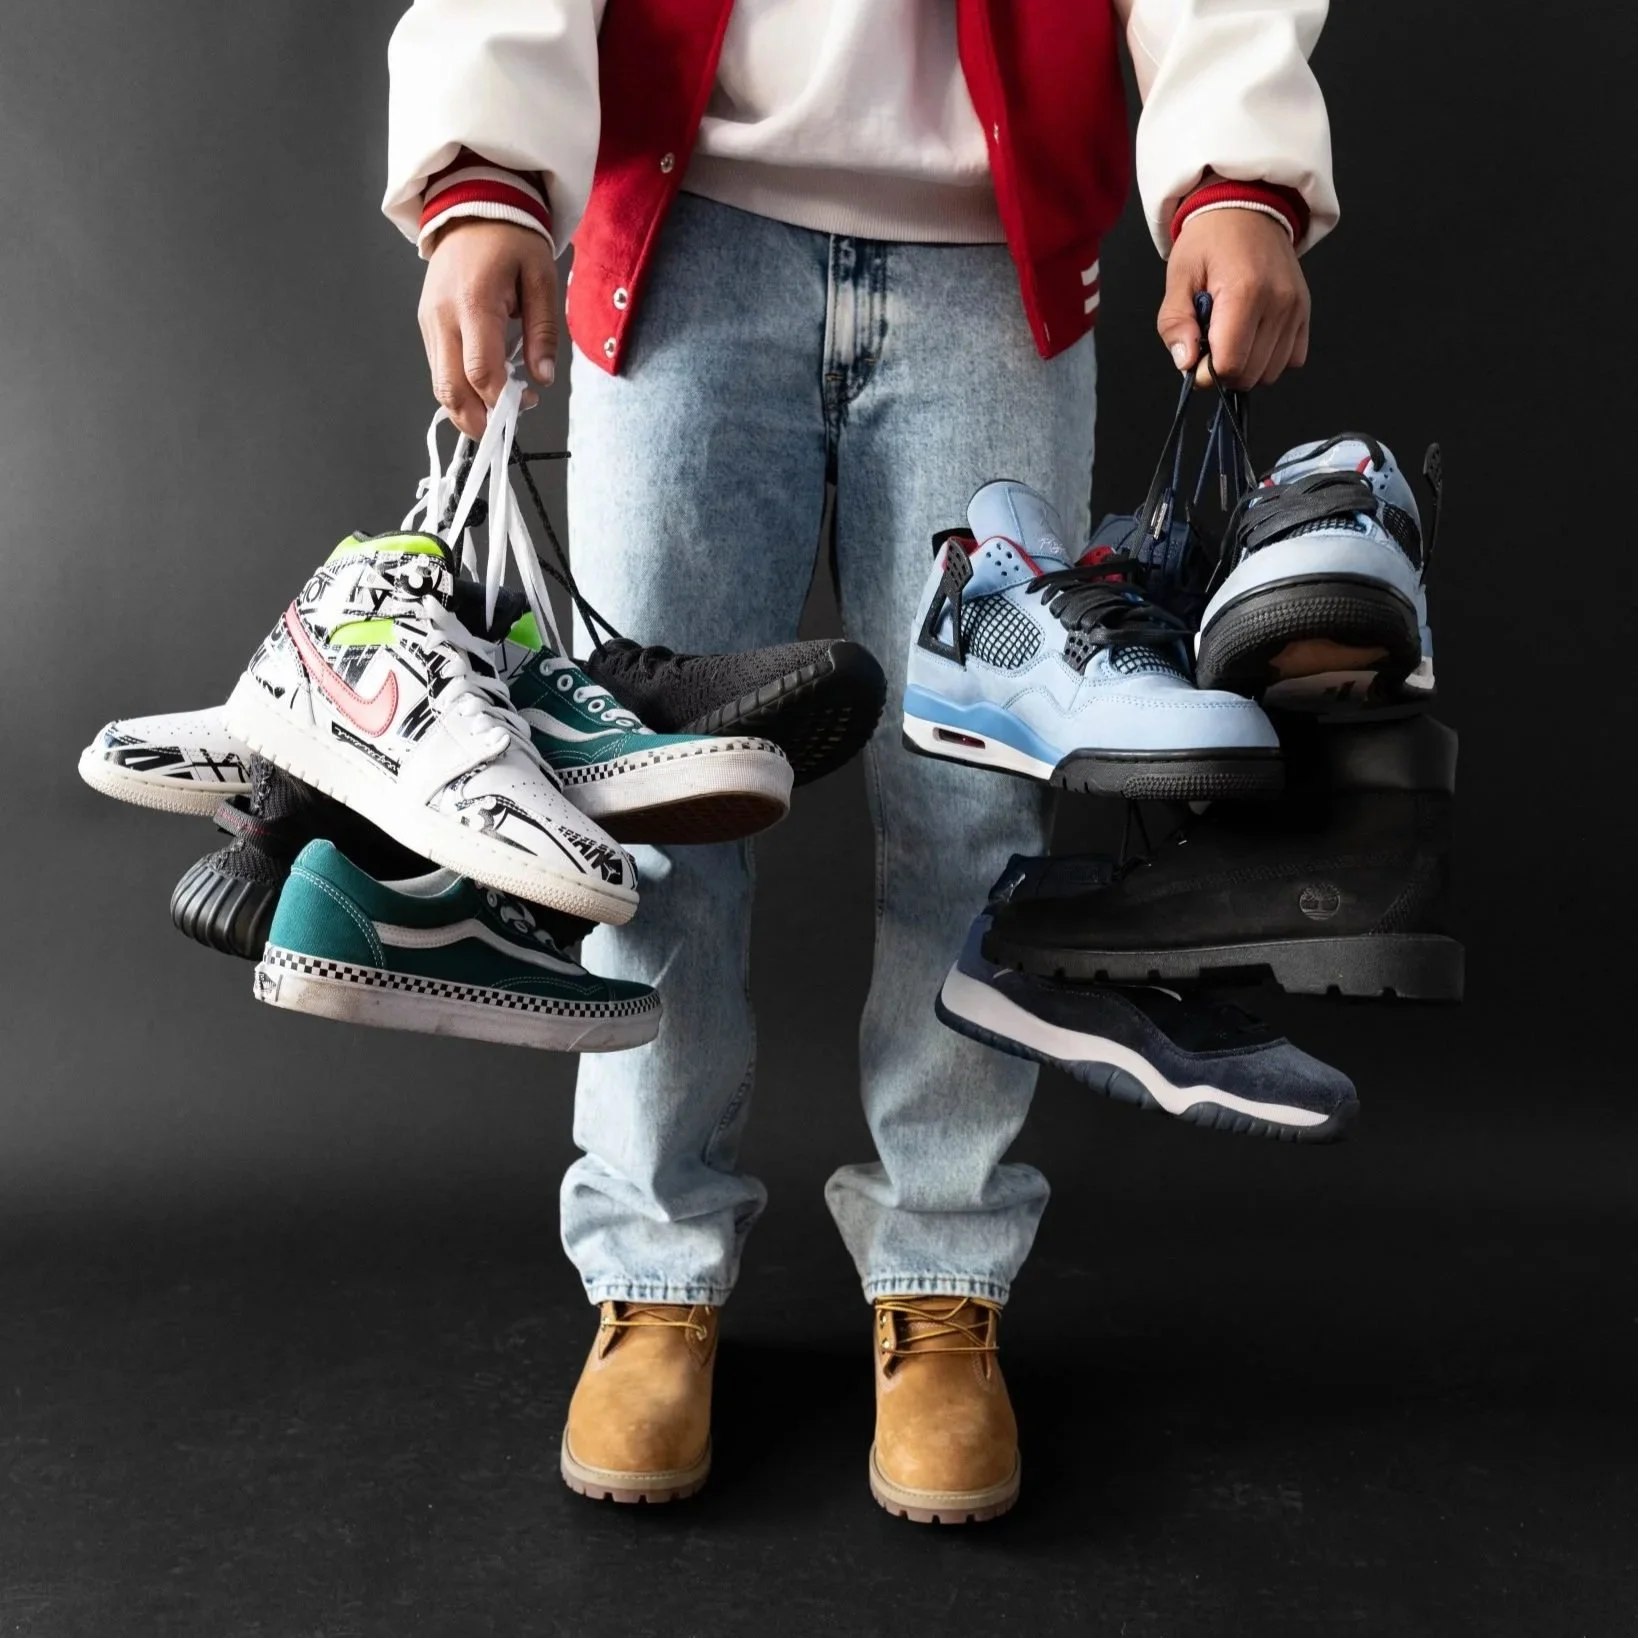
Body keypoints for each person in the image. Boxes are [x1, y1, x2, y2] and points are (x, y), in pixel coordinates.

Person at [383, 0, 1336, 1523]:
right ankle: (651, 1274)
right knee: (652, 789)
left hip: (986, 258)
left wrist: (1241, 166)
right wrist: (481, 167)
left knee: (977, 804)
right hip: (688, 233)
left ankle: (945, 1272)